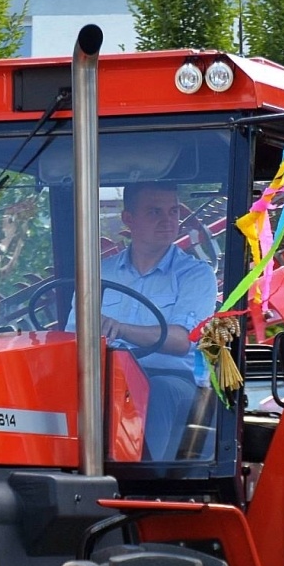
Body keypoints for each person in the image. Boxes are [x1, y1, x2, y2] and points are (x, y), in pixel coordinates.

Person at [93, 182, 218, 459]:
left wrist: (121, 329)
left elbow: (182, 341)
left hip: (176, 380)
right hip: (107, 377)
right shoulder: (99, 273)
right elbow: (73, 336)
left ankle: (140, 476)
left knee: (156, 391)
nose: (168, 221)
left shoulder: (195, 275)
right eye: (154, 212)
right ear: (128, 219)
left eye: (173, 211)